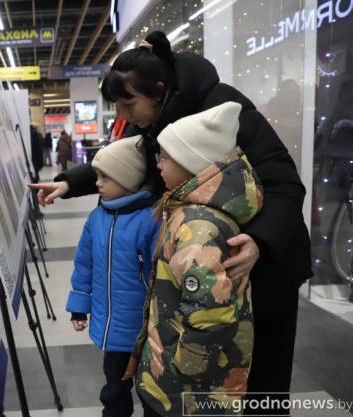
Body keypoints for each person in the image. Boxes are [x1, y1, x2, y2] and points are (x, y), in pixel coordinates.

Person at [30, 31, 312, 414]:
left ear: (159, 89)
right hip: (206, 266)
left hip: (260, 264)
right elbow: (126, 162)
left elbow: (284, 182)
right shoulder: (153, 119)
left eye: (128, 103)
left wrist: (260, 240)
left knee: (260, 378)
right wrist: (69, 182)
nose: (124, 116)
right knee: (210, 373)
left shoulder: (222, 107)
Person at [126, 102, 262, 416]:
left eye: (165, 156)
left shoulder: (197, 229)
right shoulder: (185, 212)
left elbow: (211, 312)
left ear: (192, 163)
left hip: (189, 388)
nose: (158, 163)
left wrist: (187, 365)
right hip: (175, 375)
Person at [66, 136, 160, 417]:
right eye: (97, 177)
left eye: (105, 178)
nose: (97, 184)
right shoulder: (97, 218)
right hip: (111, 328)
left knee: (151, 391)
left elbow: (161, 275)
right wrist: (79, 306)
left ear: (128, 179)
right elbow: (84, 264)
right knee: (114, 388)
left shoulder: (152, 219)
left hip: (144, 331)